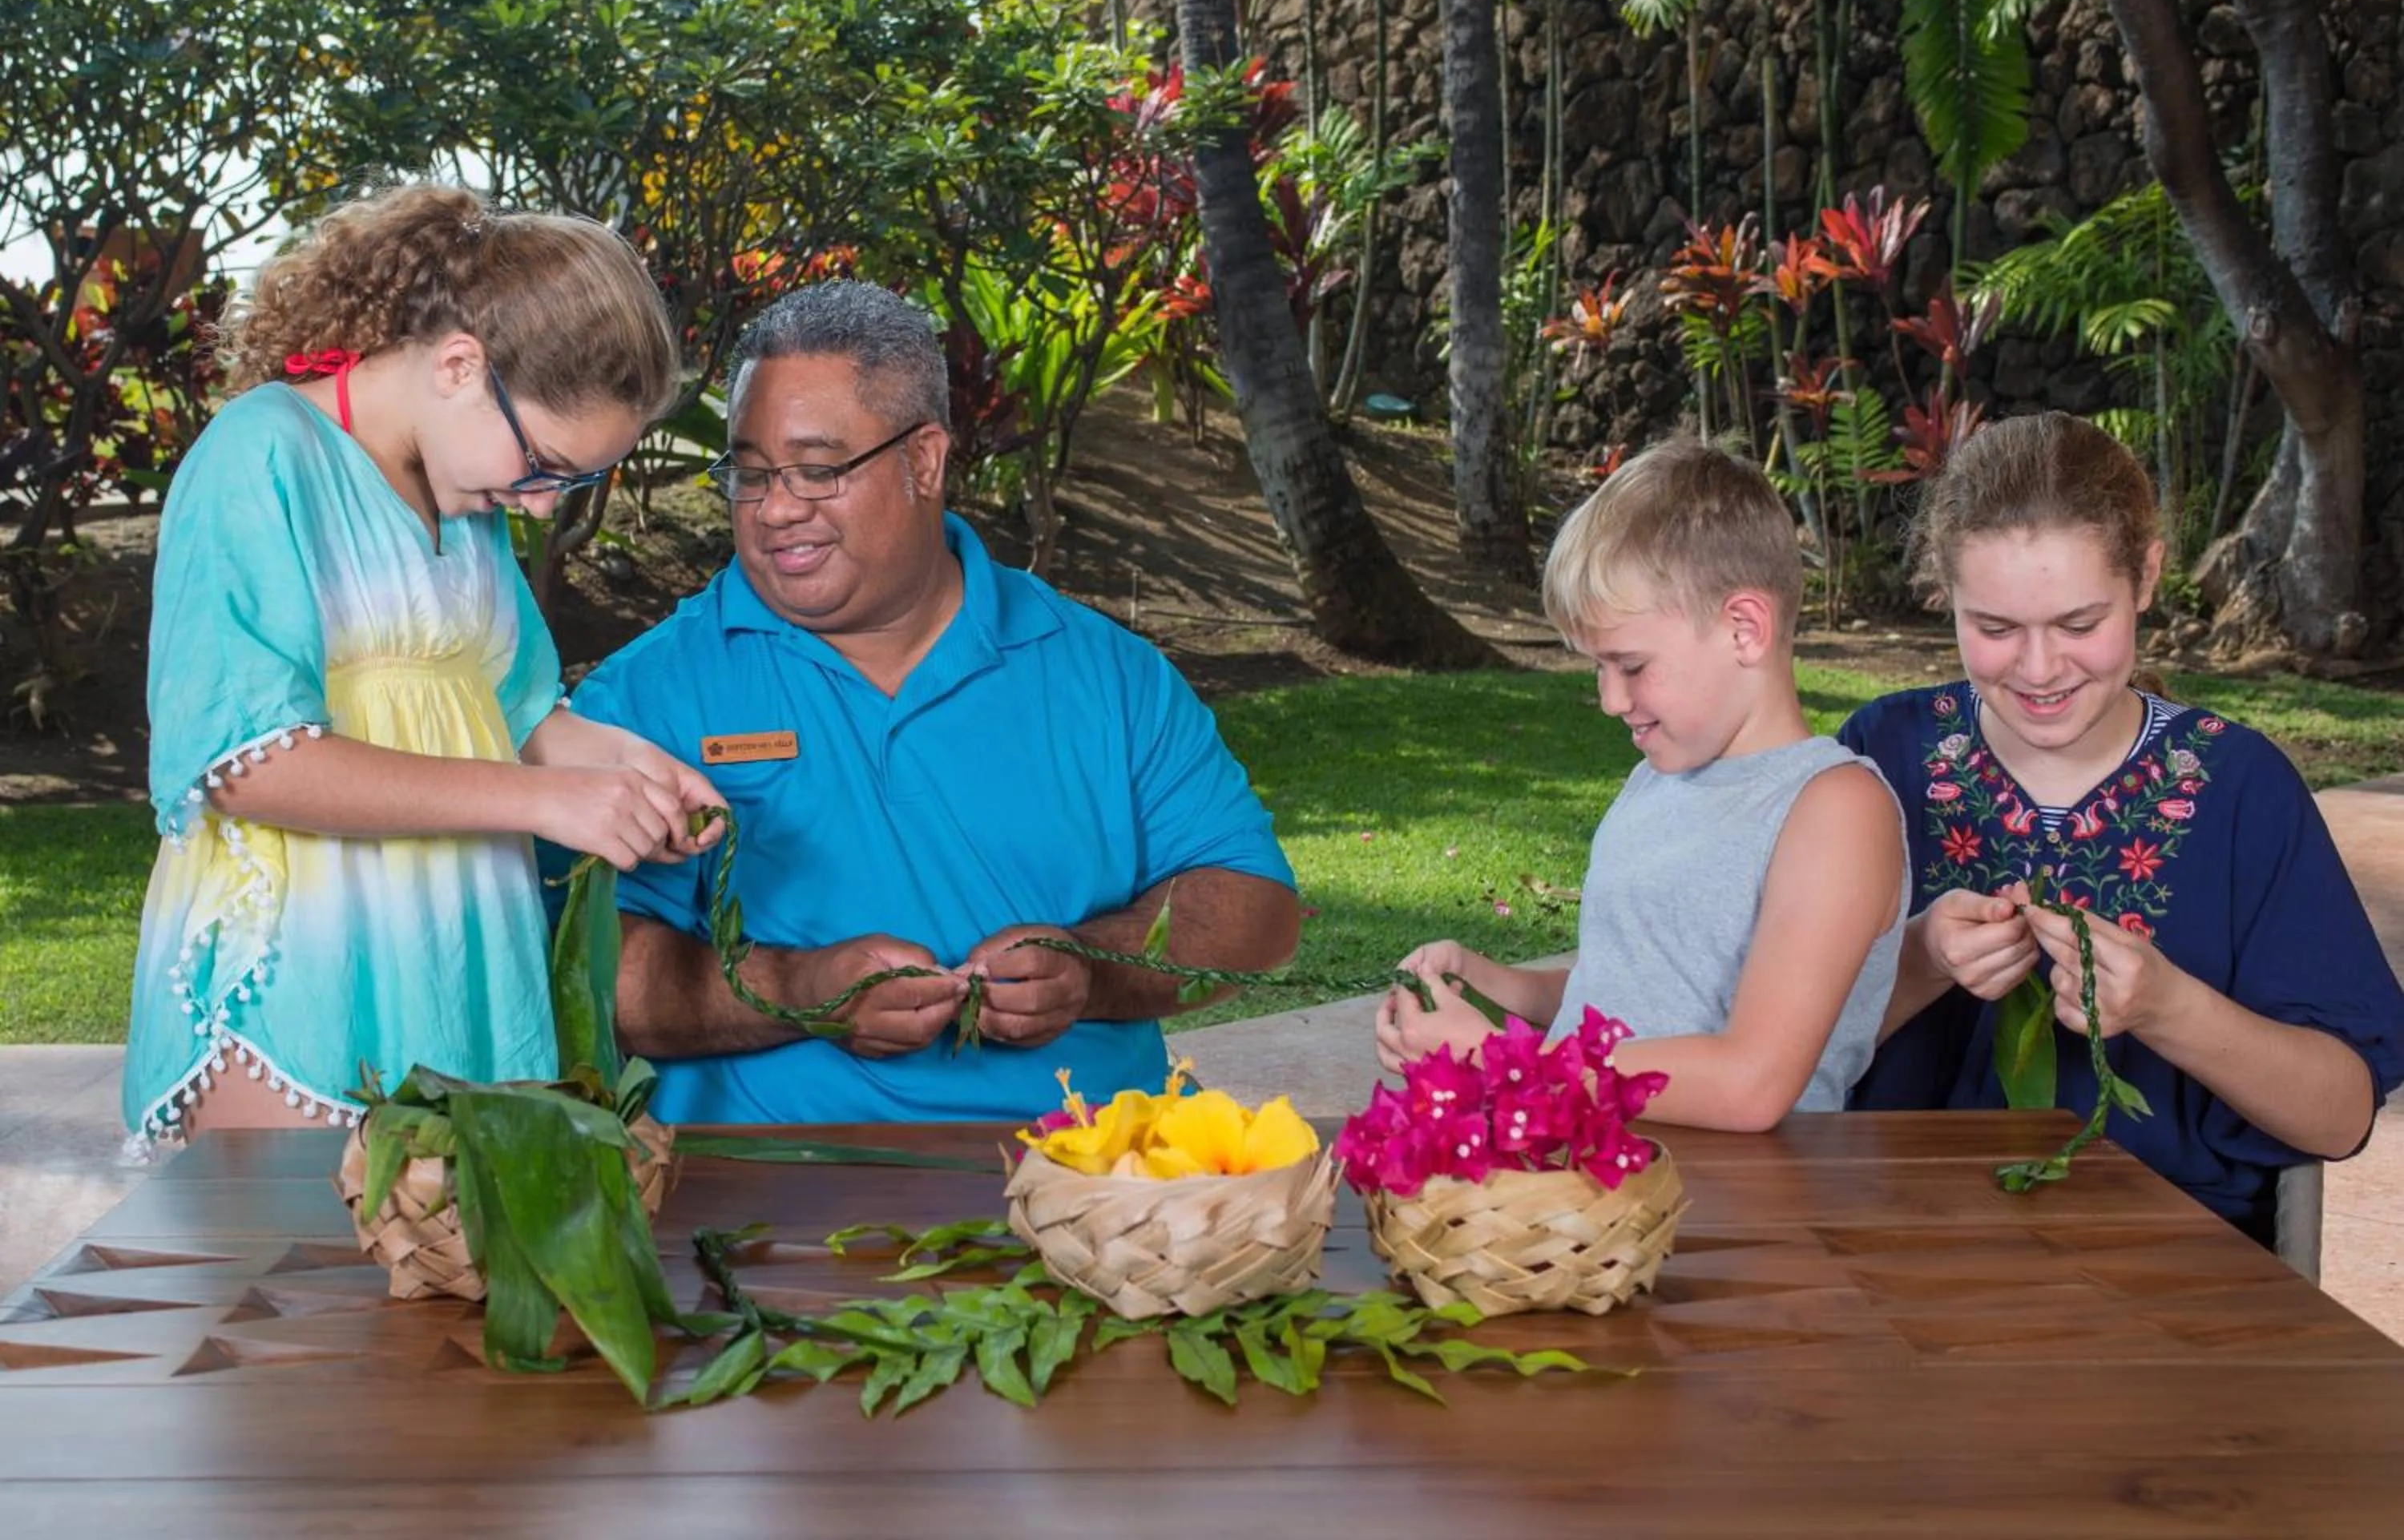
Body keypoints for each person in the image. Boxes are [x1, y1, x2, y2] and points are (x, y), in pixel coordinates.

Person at [564, 279, 1299, 1123]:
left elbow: (1255, 907)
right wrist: (797, 989)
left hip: (1087, 1182)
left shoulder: (1105, 672)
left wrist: (1092, 969)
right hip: (760, 1193)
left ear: (924, 460)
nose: (775, 510)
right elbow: (589, 974)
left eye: (817, 469)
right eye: (751, 473)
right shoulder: (644, 694)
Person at [124, 183, 724, 1153]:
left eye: (568, 483)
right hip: (306, 971)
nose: (539, 507)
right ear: (458, 364)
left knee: (435, 1291)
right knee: (298, 1291)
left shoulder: (465, 499)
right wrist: (541, 806)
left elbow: (527, 715)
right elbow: (244, 765)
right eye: (545, 465)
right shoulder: (260, 457)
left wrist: (634, 774)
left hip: (458, 960)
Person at [1841, 411, 2404, 1240]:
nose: (2039, 669)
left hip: (2170, 1266)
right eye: (1994, 628)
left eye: (2079, 624)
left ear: (2145, 577)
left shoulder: (2240, 788)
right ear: (1945, 592)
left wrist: (2169, 1005)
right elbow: (1771, 1052)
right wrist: (1920, 961)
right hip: (1892, 1237)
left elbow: (2339, 1114)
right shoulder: (1879, 756)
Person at [1373, 440, 1908, 1131]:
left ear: (1744, 629)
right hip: (1600, 1169)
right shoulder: (1655, 782)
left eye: (1630, 664)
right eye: (1598, 668)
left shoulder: (1834, 811)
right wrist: (1492, 982)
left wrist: (1508, 1062)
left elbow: (1753, 1083)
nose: (1609, 699)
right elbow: (1638, 994)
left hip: (1731, 1211)